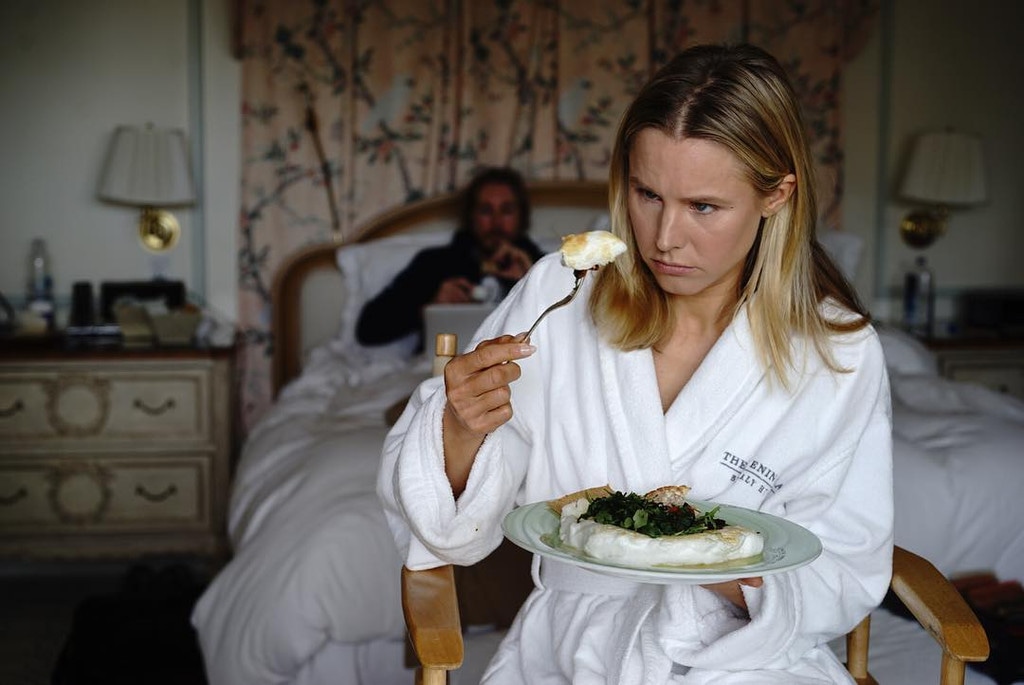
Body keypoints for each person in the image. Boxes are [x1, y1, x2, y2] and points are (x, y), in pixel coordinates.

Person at [378, 43, 893, 684]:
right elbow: (449, 523)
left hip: (745, 661)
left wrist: (700, 559)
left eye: (703, 207)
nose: (664, 237)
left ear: (777, 195)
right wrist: (461, 427)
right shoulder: (561, 295)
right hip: (574, 650)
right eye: (647, 193)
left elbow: (845, 562)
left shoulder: (838, 352)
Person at [355, 166, 545, 349]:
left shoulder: (542, 266)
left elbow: (568, 327)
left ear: (521, 217)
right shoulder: (435, 264)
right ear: (471, 216)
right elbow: (368, 329)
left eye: (506, 211)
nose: (496, 222)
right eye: (486, 211)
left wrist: (531, 283)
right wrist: (431, 309)